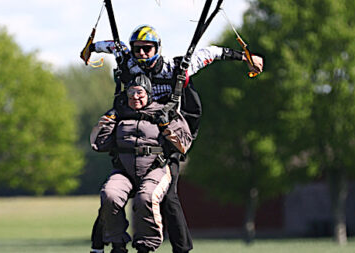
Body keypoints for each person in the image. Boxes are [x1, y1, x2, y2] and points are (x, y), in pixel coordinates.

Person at [89, 24, 264, 253]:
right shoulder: (128, 61)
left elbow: (210, 53)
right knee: (111, 196)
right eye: (137, 49)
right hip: (132, 141)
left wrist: (245, 57)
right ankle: (99, 246)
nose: (141, 54)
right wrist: (90, 48)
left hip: (167, 143)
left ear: (157, 48)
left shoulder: (176, 67)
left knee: (168, 198)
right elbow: (113, 46)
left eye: (147, 49)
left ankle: (181, 250)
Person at [90, 74, 193, 253]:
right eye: (131, 93)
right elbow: (98, 144)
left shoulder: (165, 112)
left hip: (156, 168)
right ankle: (117, 244)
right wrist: (107, 123)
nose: (135, 97)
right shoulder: (119, 112)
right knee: (109, 195)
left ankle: (145, 246)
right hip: (124, 170)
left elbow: (184, 145)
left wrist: (166, 126)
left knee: (146, 198)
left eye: (140, 93)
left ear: (149, 95)